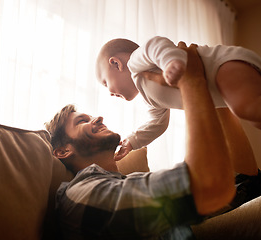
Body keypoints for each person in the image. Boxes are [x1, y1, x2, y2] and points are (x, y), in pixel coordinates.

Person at [45, 43, 237, 239]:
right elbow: (208, 184)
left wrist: (214, 94)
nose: (99, 118)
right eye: (82, 121)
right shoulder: (81, 194)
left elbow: (231, 185)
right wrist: (192, 83)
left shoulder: (128, 182)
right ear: (63, 151)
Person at [95, 36, 261, 161]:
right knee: (254, 118)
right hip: (225, 87)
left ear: (116, 64)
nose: (110, 93)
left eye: (105, 83)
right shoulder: (149, 98)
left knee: (245, 108)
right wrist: (132, 142)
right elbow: (157, 124)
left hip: (222, 64)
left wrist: (170, 62)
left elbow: (155, 45)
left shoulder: (136, 62)